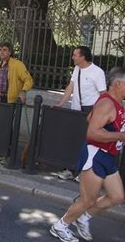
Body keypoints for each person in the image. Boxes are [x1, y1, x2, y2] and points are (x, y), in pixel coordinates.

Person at [50, 67, 125, 242]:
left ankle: (83, 218)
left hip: (108, 156)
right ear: (119, 84)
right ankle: (61, 226)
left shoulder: (114, 102)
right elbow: (92, 133)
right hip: (96, 155)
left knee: (117, 196)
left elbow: (90, 117)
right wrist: (120, 135)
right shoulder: (107, 103)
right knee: (88, 200)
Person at [55, 46, 106, 181]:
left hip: (90, 110)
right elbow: (70, 87)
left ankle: (84, 172)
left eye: (75, 55)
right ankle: (70, 169)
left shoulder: (97, 72)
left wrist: (96, 112)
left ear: (83, 57)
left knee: (88, 143)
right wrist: (61, 103)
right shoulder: (77, 69)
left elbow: (103, 95)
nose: (72, 57)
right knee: (73, 139)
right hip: (76, 108)